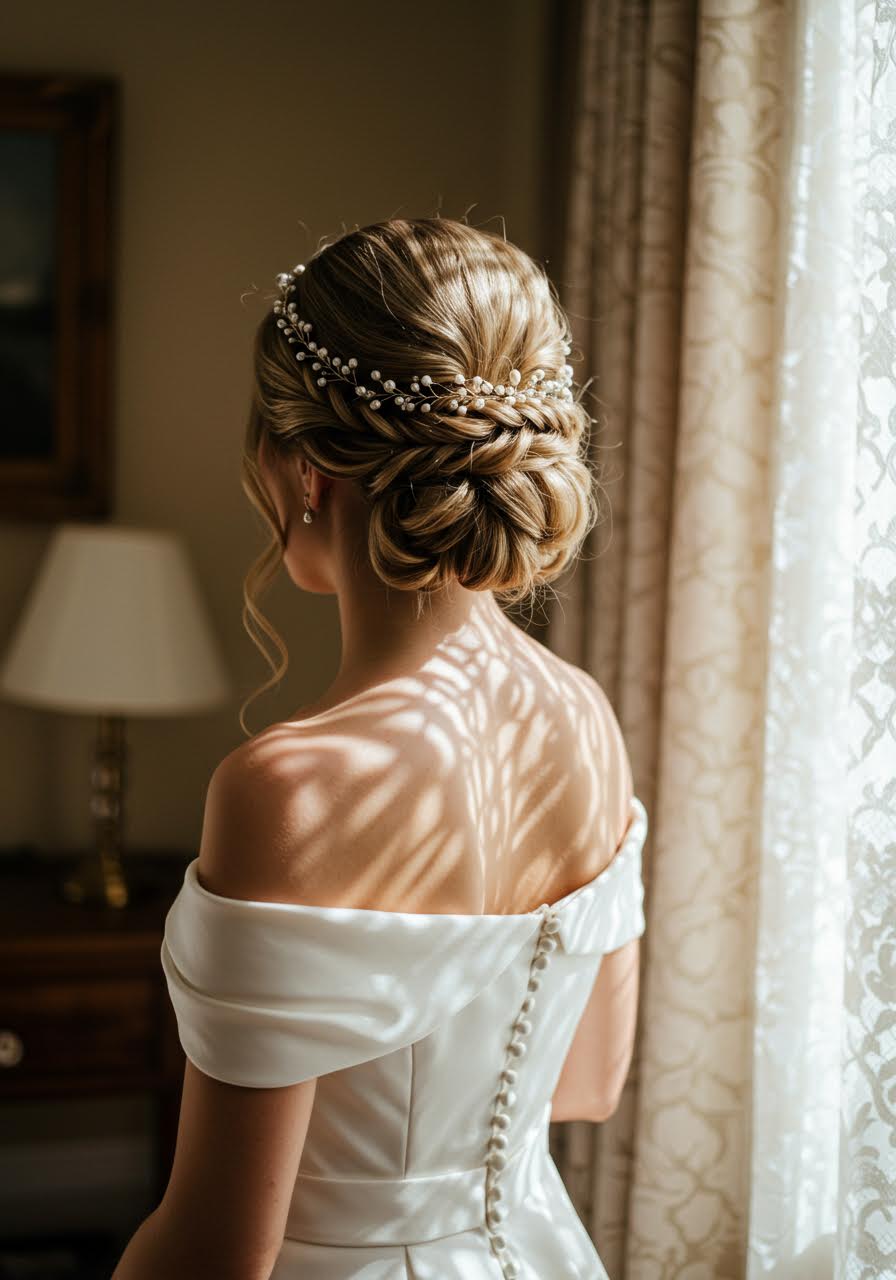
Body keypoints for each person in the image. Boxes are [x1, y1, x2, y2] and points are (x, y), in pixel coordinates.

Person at [111, 216, 648, 1280]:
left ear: (304, 470)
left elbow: (217, 1248)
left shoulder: (293, 789)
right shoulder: (583, 716)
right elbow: (584, 1083)